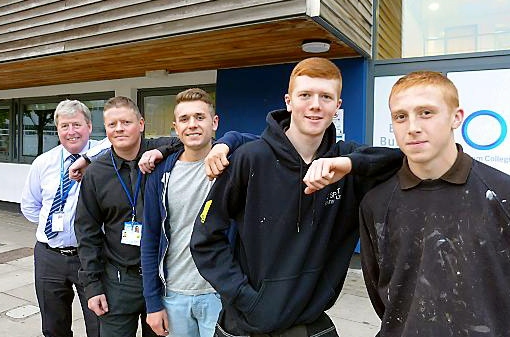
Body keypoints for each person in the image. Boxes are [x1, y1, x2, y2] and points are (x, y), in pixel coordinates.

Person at [190, 57, 402, 337]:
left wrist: (348, 164)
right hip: (245, 324)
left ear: (337, 106)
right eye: (305, 95)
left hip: (309, 324)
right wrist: (245, 297)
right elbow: (205, 239)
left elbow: (402, 159)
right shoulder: (249, 159)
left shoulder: (344, 163)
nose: (315, 105)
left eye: (326, 96)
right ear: (288, 101)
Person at [74, 96, 252, 337]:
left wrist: (225, 143)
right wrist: (92, 285)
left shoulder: (162, 158)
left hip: (169, 279)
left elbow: (194, 141)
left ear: (141, 123)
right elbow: (87, 232)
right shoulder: (96, 172)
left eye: (126, 122)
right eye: (111, 124)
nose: (119, 129)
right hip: (120, 278)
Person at [357, 71, 510, 336]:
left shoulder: (502, 192)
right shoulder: (376, 203)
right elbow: (381, 290)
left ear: (456, 117)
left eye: (426, 113)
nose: (412, 126)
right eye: (400, 116)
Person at [142, 88, 224, 337]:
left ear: (214, 122)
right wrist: (153, 303)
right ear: (175, 128)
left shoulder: (232, 164)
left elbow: (262, 142)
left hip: (220, 295)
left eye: (200, 117)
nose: (192, 125)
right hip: (174, 294)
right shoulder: (160, 174)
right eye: (185, 119)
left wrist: (228, 144)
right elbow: (150, 239)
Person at [20, 99, 100, 337]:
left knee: (100, 325)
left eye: (76, 124)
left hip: (92, 257)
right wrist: (56, 228)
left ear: (88, 126)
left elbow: (116, 142)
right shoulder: (43, 162)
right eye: (64, 126)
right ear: (57, 129)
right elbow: (30, 206)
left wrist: (88, 158)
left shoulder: (104, 157)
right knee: (54, 327)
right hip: (50, 256)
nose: (71, 131)